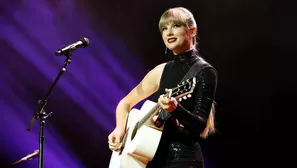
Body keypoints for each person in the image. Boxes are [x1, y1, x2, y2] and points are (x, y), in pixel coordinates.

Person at [108, 7, 218, 168]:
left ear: (192, 31)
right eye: (164, 28)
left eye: (176, 26)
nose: (169, 32)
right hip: (149, 160)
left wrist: (176, 109)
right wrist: (119, 129)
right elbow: (125, 104)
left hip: (182, 159)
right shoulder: (160, 71)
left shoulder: (205, 72)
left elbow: (198, 126)